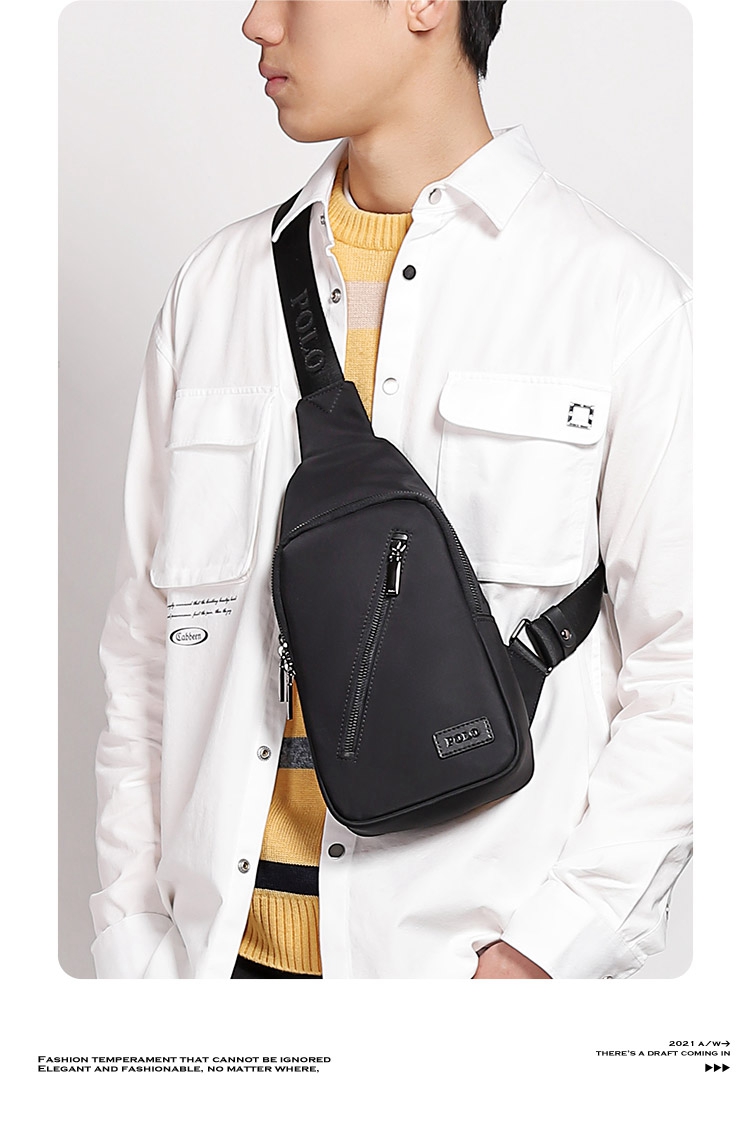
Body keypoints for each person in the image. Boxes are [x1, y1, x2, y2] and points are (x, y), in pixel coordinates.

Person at [89, 0, 692, 980]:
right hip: (207, 982)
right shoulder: (214, 291)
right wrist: (131, 944)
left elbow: (696, 668)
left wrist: (545, 957)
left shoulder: (619, 303)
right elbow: (143, 649)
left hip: (457, 996)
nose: (256, 23)